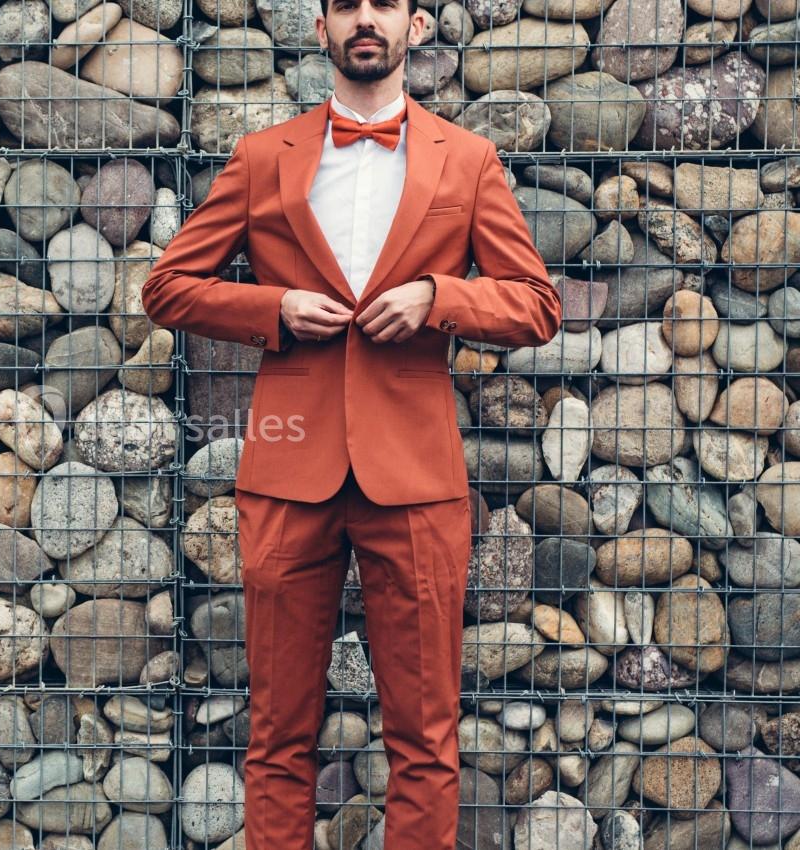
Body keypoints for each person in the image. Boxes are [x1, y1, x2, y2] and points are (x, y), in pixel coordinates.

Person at [140, 0, 563, 845]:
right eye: (344, 5)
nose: (364, 18)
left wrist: (441, 298)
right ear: (321, 30)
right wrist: (277, 306)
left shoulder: (468, 160)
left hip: (416, 481)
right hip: (287, 478)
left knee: (425, 740)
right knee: (277, 736)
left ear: (418, 27)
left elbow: (536, 305)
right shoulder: (265, 158)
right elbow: (168, 288)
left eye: (385, 4)